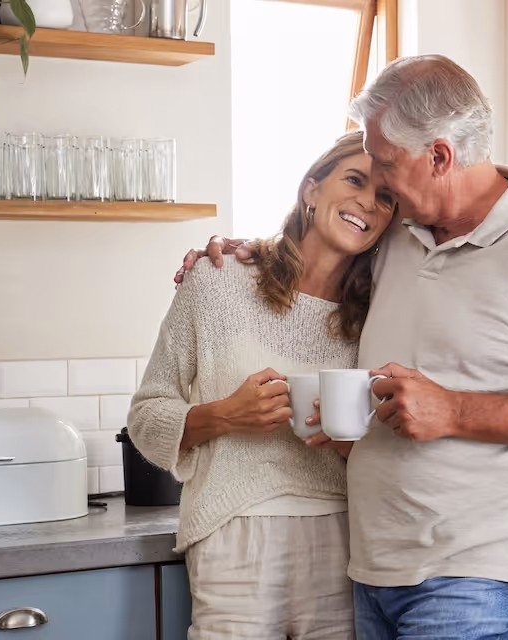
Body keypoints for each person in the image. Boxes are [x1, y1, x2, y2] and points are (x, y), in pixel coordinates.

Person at [178, 54, 508, 640]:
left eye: (386, 162)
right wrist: (249, 253)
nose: (377, 178)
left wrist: (454, 410)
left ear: (439, 157)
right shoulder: (399, 234)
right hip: (375, 570)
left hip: (478, 577)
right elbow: (323, 239)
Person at [131, 131, 394, 639]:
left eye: (385, 196)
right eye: (355, 180)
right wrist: (227, 415)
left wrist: (345, 440)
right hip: (233, 534)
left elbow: (389, 441)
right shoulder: (218, 280)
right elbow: (146, 416)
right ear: (311, 191)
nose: (368, 201)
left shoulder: (381, 314)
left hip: (344, 539)